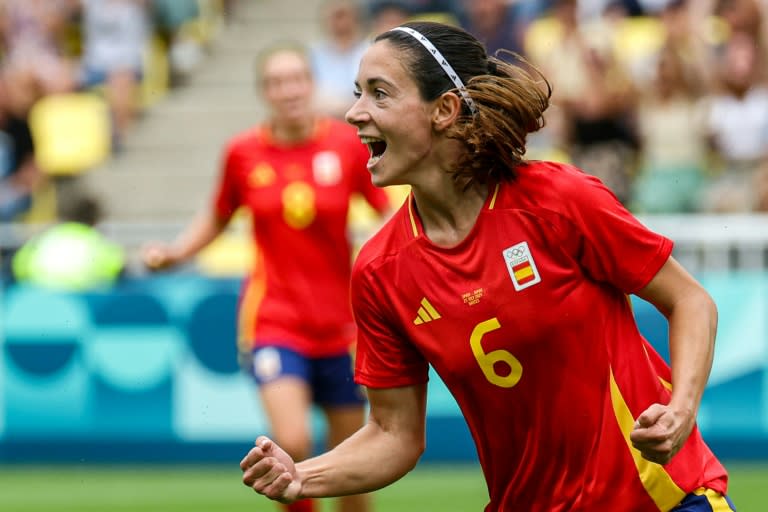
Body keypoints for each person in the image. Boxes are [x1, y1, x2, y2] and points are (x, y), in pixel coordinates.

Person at [240, 21, 735, 511]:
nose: (354, 113)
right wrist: (300, 475)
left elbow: (690, 299)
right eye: (357, 92)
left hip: (666, 498)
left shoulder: (557, 199)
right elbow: (393, 435)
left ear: (445, 110)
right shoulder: (379, 271)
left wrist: (680, 411)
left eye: (379, 93)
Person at [143, 42, 391, 512]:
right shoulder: (243, 152)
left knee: (353, 467)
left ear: (311, 83)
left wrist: (381, 255)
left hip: (344, 326)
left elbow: (385, 213)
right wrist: (175, 253)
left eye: (297, 78)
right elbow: (217, 216)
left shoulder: (344, 144)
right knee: (291, 444)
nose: (289, 90)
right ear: (264, 92)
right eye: (277, 82)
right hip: (275, 321)